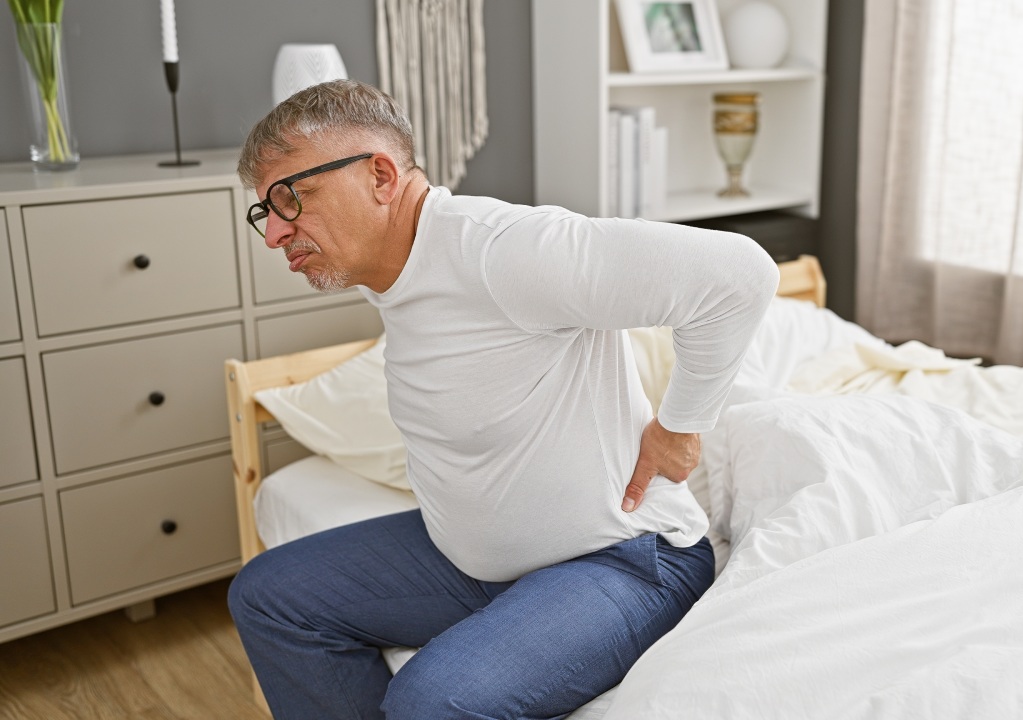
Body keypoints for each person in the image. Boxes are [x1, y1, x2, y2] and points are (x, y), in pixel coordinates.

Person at [228, 79, 779, 720]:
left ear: (380, 175)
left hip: (623, 560)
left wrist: (680, 424)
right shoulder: (397, 274)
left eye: (291, 198)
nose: (274, 235)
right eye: (266, 211)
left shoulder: (500, 248)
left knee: (429, 704)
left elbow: (738, 275)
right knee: (269, 595)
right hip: (473, 562)